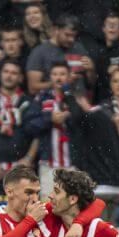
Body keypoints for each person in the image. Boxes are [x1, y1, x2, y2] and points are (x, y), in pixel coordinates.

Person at [0, 60, 38, 205]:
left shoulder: (30, 103)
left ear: (21, 78)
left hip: (23, 170)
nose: (9, 76)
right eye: (6, 72)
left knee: (25, 214)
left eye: (14, 73)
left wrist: (28, 159)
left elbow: (37, 134)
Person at [62, 79, 119, 220]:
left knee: (96, 235)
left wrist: (67, 95)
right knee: (109, 234)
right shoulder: (106, 117)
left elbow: (77, 115)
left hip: (98, 187)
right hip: (114, 186)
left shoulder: (88, 119)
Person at [25, 61, 74, 197]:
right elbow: (29, 126)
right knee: (49, 207)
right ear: (50, 77)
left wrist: (69, 117)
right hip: (48, 164)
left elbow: (84, 124)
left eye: (62, 74)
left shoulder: (75, 97)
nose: (58, 78)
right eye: (55, 74)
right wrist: (49, 119)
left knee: (73, 209)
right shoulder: (41, 98)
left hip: (73, 164)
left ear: (69, 77)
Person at [25, 14, 95, 95]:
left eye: (74, 36)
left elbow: (91, 84)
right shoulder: (39, 52)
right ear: (56, 30)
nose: (71, 39)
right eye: (67, 35)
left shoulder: (79, 48)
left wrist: (91, 70)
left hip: (80, 101)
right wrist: (61, 83)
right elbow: (32, 88)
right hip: (52, 103)